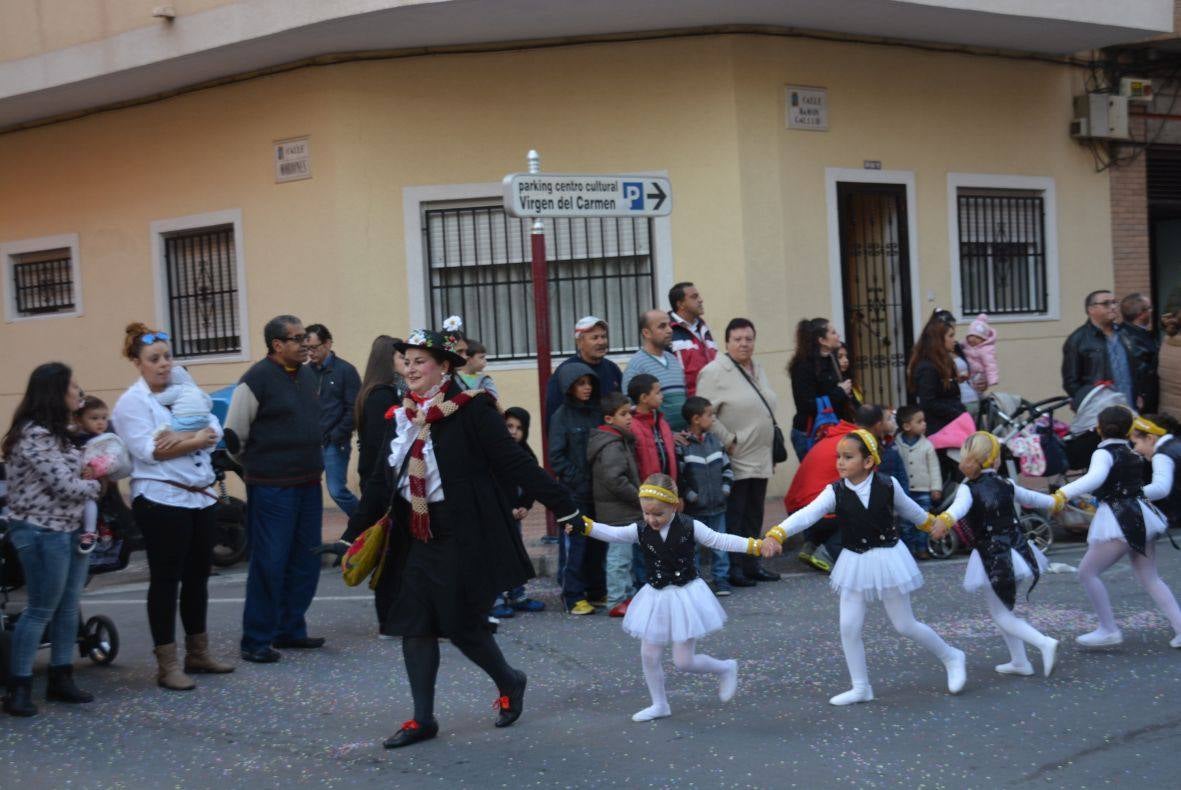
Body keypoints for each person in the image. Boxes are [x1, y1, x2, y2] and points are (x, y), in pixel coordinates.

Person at [345, 327, 582, 748]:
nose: (412, 368)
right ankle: (422, 719)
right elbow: (382, 483)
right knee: (414, 624)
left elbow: (514, 463)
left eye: (421, 361)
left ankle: (510, 680)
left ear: (444, 367)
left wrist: (564, 506)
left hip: (462, 532)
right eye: (408, 361)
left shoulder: (473, 409)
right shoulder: (402, 414)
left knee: (461, 626)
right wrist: (352, 536)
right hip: (416, 532)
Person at [762, 429, 967, 706]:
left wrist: (934, 525)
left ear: (868, 462)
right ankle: (861, 687)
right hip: (854, 561)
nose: (840, 463)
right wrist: (778, 533)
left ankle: (951, 656)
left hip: (888, 559)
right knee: (848, 626)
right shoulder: (834, 491)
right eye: (839, 457)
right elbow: (807, 514)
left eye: (848, 457)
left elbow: (913, 512)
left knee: (904, 624)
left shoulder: (889, 485)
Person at [570, 474, 756, 721]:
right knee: (649, 654)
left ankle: (725, 667)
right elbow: (613, 534)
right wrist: (584, 525)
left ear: (674, 506)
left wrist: (755, 545)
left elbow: (720, 539)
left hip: (685, 597)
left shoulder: (690, 526)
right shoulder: (640, 529)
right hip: (656, 597)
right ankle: (660, 704)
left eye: (658, 514)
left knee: (684, 661)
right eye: (646, 513)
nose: (651, 519)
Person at [111, 325, 236, 689]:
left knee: (199, 576)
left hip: (198, 494)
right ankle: (167, 664)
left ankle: (198, 652)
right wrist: (191, 437)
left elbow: (212, 430)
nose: (164, 364)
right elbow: (152, 449)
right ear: (137, 363)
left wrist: (186, 437)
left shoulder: (184, 389)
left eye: (167, 357)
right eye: (154, 359)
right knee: (166, 581)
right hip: (161, 498)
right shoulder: (132, 404)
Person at [2, 363, 103, 717]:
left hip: (68, 528)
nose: (79, 391)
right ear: (54, 393)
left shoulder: (58, 435)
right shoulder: (35, 436)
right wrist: (94, 484)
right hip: (41, 530)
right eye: (73, 386)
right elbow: (68, 485)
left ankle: (61, 677)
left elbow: (81, 471)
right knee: (40, 609)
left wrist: (90, 476)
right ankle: (19, 686)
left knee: (67, 605)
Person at [225, 315, 326, 663]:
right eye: (296, 339)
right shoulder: (255, 381)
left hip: (308, 482)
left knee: (306, 559)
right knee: (270, 562)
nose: (305, 344)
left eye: (306, 337)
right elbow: (234, 436)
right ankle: (255, 640)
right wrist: (256, 468)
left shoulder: (309, 374)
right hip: (272, 488)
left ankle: (290, 629)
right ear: (277, 345)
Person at [930, 432, 1060, 677]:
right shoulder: (1006, 483)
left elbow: (957, 510)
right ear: (995, 460)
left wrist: (944, 520)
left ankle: (1043, 642)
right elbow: (1034, 498)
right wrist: (1056, 500)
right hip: (1018, 550)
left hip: (993, 555)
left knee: (1000, 613)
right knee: (1005, 610)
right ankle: (1020, 662)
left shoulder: (968, 488)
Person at [1055, 407, 1181, 648]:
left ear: (1099, 428)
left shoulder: (1104, 453)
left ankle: (1108, 629)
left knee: (1087, 572)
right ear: (1128, 430)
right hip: (1141, 515)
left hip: (1118, 519)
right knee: (1150, 576)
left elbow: (1095, 478)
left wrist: (1063, 493)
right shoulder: (1131, 453)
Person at [696, 318, 780, 588]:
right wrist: (729, 441)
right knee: (736, 514)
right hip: (736, 456)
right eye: (738, 339)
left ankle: (753, 563)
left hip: (761, 455)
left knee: (755, 513)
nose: (744, 344)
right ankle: (734, 567)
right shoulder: (714, 371)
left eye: (749, 339)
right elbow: (705, 414)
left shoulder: (757, 367)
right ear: (727, 342)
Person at [548, 362, 607, 614]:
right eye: (581, 383)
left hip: (599, 491)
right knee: (577, 544)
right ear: (569, 387)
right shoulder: (561, 416)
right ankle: (572, 595)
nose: (587, 388)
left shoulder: (597, 413)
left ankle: (596, 591)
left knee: (598, 543)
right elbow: (557, 457)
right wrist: (578, 479)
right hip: (575, 493)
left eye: (589, 383)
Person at [588, 392, 643, 618]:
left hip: (621, 510)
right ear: (609, 419)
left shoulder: (619, 440)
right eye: (623, 414)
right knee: (619, 557)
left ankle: (626, 595)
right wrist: (638, 497)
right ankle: (616, 600)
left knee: (625, 556)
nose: (629, 417)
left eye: (630, 412)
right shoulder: (611, 445)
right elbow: (615, 479)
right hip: (617, 511)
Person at [491, 407, 546, 618]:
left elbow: (532, 481)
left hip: (516, 514)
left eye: (519, 428)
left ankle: (517, 595)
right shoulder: (494, 452)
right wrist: (508, 508)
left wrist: (526, 505)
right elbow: (494, 485)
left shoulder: (526, 453)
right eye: (509, 426)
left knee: (516, 554)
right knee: (496, 554)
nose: (514, 432)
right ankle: (495, 598)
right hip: (496, 513)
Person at [678, 396, 733, 596]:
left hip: (718, 504)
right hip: (695, 507)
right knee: (693, 546)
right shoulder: (682, 446)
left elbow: (727, 468)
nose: (713, 419)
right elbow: (680, 476)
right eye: (709, 415)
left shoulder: (715, 441)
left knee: (720, 543)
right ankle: (696, 580)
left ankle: (722, 580)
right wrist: (691, 496)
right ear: (696, 419)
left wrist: (725, 490)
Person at [306, 323, 362, 518]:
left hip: (334, 443)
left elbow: (354, 407)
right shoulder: (305, 373)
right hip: (310, 443)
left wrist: (337, 434)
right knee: (306, 491)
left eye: (314, 347)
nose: (310, 353)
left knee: (337, 490)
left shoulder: (346, 370)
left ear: (328, 343)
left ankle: (365, 522)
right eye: (307, 348)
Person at [788, 318, 854, 461]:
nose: (838, 336)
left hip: (833, 429)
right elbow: (806, 404)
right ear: (822, 340)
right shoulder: (803, 366)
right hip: (810, 432)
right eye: (833, 332)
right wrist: (840, 392)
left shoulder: (832, 360)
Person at [1061, 290, 1138, 410]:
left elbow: (1135, 368)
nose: (1112, 307)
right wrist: (1091, 404)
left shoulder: (1125, 334)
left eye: (1114, 302)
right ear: (1091, 309)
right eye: (1106, 303)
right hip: (1099, 410)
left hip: (1130, 405)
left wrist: (1139, 394)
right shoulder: (1078, 339)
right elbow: (1071, 382)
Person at [545, 316, 623, 426]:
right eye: (595, 338)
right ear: (579, 342)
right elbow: (553, 416)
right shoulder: (566, 372)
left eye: (603, 336)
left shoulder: (612, 369)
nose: (601, 342)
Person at [908, 319, 971, 451]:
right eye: (950, 336)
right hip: (941, 431)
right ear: (938, 340)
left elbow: (941, 391)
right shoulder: (928, 367)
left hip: (950, 427)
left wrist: (954, 381)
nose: (954, 340)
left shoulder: (942, 362)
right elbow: (928, 402)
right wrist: (957, 413)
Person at [622, 310, 688, 432]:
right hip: (659, 443)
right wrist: (665, 435)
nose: (669, 330)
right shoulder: (636, 365)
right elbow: (631, 410)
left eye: (669, 325)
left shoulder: (673, 360)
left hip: (685, 438)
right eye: (662, 326)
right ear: (646, 332)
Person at [894, 405, 942, 559]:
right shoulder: (896, 444)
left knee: (924, 522)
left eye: (924, 421)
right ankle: (908, 550)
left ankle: (922, 548)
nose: (924, 424)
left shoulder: (927, 445)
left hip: (923, 490)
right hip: (905, 492)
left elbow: (934, 468)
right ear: (907, 426)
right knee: (906, 524)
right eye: (919, 421)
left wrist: (936, 488)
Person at [668, 281, 718, 398]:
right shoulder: (668, 330)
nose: (701, 300)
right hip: (689, 406)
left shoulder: (703, 327)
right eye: (694, 297)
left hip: (713, 400)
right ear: (681, 304)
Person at [1120, 293, 1159, 413]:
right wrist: (1140, 394)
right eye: (1149, 308)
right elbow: (1140, 371)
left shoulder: (1137, 333)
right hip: (1144, 401)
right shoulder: (1131, 338)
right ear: (1141, 314)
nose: (1151, 311)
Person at [961, 313, 999, 391]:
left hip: (979, 373)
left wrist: (992, 379)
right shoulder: (965, 344)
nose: (973, 339)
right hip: (968, 372)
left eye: (977, 337)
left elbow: (991, 365)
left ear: (983, 339)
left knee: (976, 389)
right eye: (971, 336)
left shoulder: (986, 350)